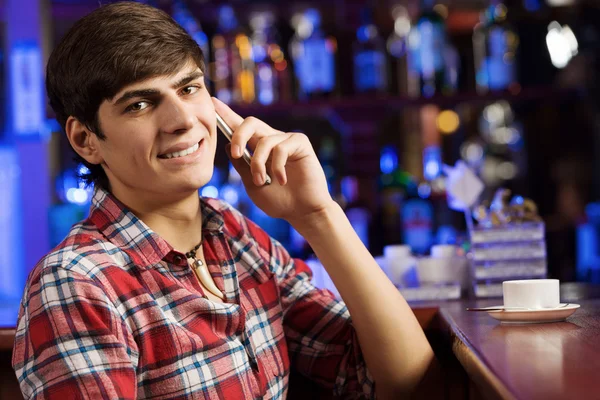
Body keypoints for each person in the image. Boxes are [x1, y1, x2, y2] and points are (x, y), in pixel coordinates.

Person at [12, 2, 436, 399]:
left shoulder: (236, 237)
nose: (182, 120)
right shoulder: (76, 283)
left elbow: (403, 379)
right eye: (139, 104)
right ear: (86, 140)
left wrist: (317, 215)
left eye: (189, 88)